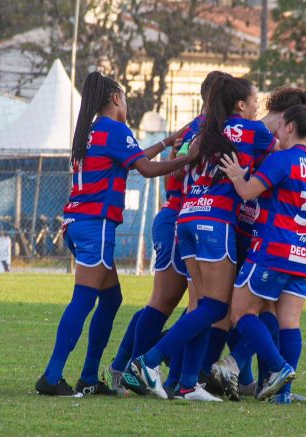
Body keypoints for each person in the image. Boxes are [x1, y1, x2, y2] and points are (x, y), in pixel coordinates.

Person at [35, 71, 195, 397]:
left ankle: (90, 377)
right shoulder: (115, 129)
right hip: (96, 225)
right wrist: (189, 157)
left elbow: (134, 160)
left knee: (111, 298)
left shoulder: (93, 131)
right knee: (83, 299)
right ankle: (52, 376)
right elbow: (146, 170)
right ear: (115, 98)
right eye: (124, 97)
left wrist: (167, 142)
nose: (126, 105)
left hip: (79, 222)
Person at [126, 76, 276, 401]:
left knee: (197, 305)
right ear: (240, 104)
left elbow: (176, 167)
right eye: (253, 101)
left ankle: (186, 384)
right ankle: (146, 362)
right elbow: (283, 159)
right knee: (216, 307)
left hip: (187, 218)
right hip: (216, 222)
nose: (256, 107)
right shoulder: (254, 130)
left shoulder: (199, 130)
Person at [101, 71, 231, 396]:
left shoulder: (192, 127)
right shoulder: (212, 129)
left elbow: (171, 171)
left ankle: (142, 371)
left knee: (179, 304)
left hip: (176, 215)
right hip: (181, 216)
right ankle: (136, 371)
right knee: (168, 302)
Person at [200, 87, 306, 399]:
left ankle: (277, 367)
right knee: (289, 322)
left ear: (290, 127)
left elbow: (248, 191)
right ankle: (282, 394)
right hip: (305, 253)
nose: (275, 132)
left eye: (280, 126)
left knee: (240, 313)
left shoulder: (282, 160)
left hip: (274, 249)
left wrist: (238, 174)